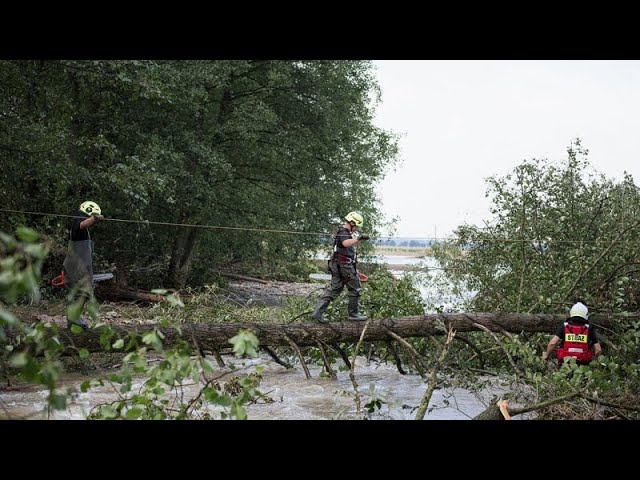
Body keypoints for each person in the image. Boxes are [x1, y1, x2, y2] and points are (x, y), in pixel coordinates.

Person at [311, 211, 370, 323]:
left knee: (335, 289)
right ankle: (353, 314)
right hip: (344, 266)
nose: (357, 228)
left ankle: (317, 313)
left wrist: (355, 269)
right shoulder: (344, 232)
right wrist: (359, 238)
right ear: (352, 223)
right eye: (357, 226)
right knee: (355, 288)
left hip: (338, 265)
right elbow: (345, 243)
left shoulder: (343, 232)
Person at [62, 201, 103, 329]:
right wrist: (95, 218)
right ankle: (73, 319)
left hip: (79, 266)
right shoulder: (78, 222)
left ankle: (73, 320)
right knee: (82, 293)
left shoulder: (82, 228)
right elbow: (82, 225)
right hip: (77, 267)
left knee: (81, 293)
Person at [543, 301, 602, 366]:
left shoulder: (564, 326)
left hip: (565, 363)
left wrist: (547, 357)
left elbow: (552, 343)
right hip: (583, 364)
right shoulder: (589, 328)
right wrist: (595, 362)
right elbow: (598, 349)